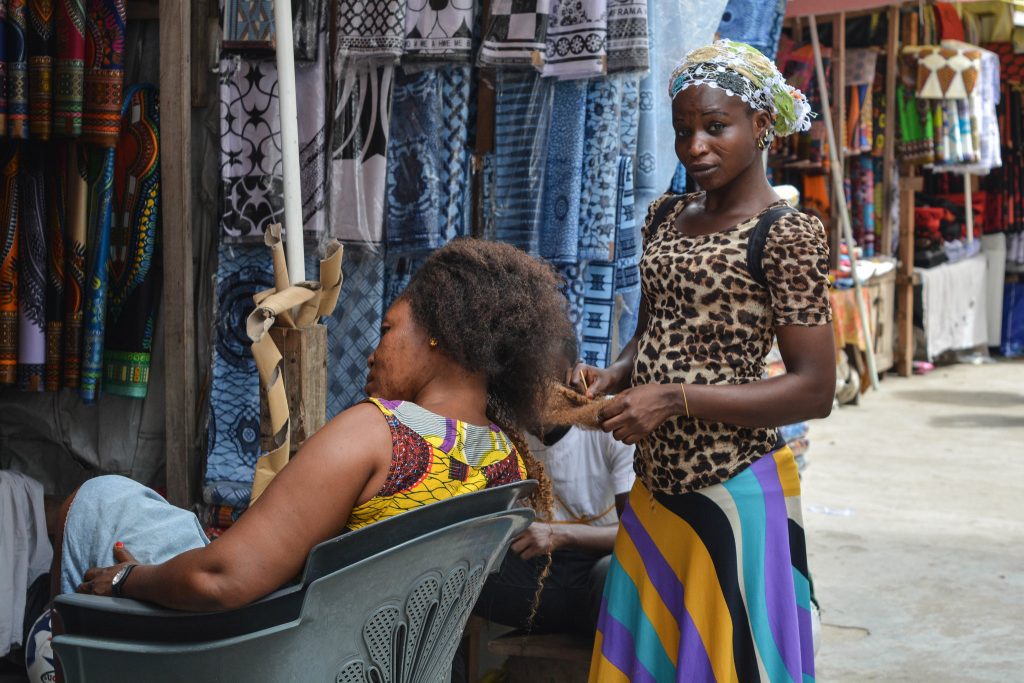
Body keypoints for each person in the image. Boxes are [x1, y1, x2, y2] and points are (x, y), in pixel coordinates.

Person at [52, 238, 574, 612]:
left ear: (438, 331)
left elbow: (221, 579)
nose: (372, 354)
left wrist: (129, 579)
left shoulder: (376, 435)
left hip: (272, 650)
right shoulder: (507, 461)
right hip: (365, 656)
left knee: (98, 501)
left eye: (388, 329)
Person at [573, 40, 835, 682]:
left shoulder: (786, 233)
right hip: (656, 492)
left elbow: (814, 391)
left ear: (762, 125)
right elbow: (656, 331)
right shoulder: (666, 216)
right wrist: (617, 374)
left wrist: (674, 398)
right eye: (684, 130)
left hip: (731, 489)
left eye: (716, 127)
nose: (695, 147)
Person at [471, 335, 635, 637]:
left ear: (573, 375)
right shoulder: (505, 433)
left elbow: (637, 533)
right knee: (458, 575)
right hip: (541, 575)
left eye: (545, 380)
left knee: (612, 576)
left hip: (597, 568)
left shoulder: (609, 422)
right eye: (521, 383)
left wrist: (561, 534)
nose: (533, 395)